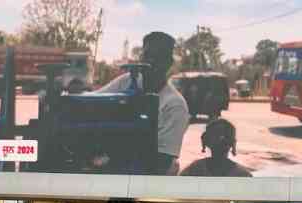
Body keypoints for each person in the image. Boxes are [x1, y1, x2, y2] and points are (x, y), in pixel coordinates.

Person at [94, 32, 189, 175]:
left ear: (169, 63)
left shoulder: (175, 105)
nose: (151, 61)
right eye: (147, 55)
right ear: (140, 57)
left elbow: (162, 160)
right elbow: (93, 102)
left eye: (158, 57)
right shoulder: (126, 81)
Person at [180, 119, 252, 177]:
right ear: (233, 143)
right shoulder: (243, 175)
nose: (221, 139)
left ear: (206, 142)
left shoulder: (195, 169)